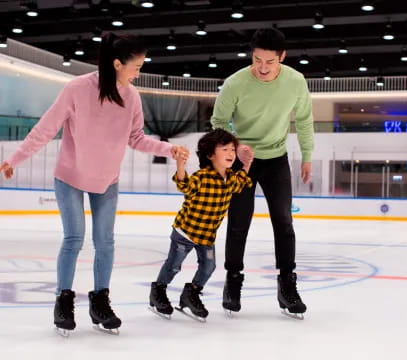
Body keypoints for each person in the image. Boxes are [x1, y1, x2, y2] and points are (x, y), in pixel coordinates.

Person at [0, 32, 189, 335]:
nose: (138, 73)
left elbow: (136, 138)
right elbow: (45, 129)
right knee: (74, 238)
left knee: (105, 242)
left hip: (106, 179)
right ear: (117, 64)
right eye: (136, 66)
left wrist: (169, 150)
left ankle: (100, 300)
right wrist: (15, 159)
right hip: (70, 175)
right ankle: (63, 300)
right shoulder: (77, 89)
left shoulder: (131, 97)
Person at [210, 27, 314, 316]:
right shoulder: (235, 84)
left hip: (276, 158)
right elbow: (218, 121)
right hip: (242, 162)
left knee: (284, 222)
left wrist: (307, 155)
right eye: (257, 60)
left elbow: (304, 120)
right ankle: (233, 280)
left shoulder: (295, 81)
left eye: (270, 61)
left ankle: (287, 285)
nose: (263, 68)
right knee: (238, 222)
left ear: (282, 56)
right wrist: (236, 147)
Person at [149, 129, 252, 320]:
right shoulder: (202, 177)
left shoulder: (230, 178)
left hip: (206, 236)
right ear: (211, 155)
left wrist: (247, 163)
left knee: (209, 266)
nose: (231, 153)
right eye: (225, 149)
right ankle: (158, 292)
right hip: (186, 232)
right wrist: (180, 165)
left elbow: (241, 183)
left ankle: (191, 293)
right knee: (173, 266)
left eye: (232, 149)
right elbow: (184, 186)